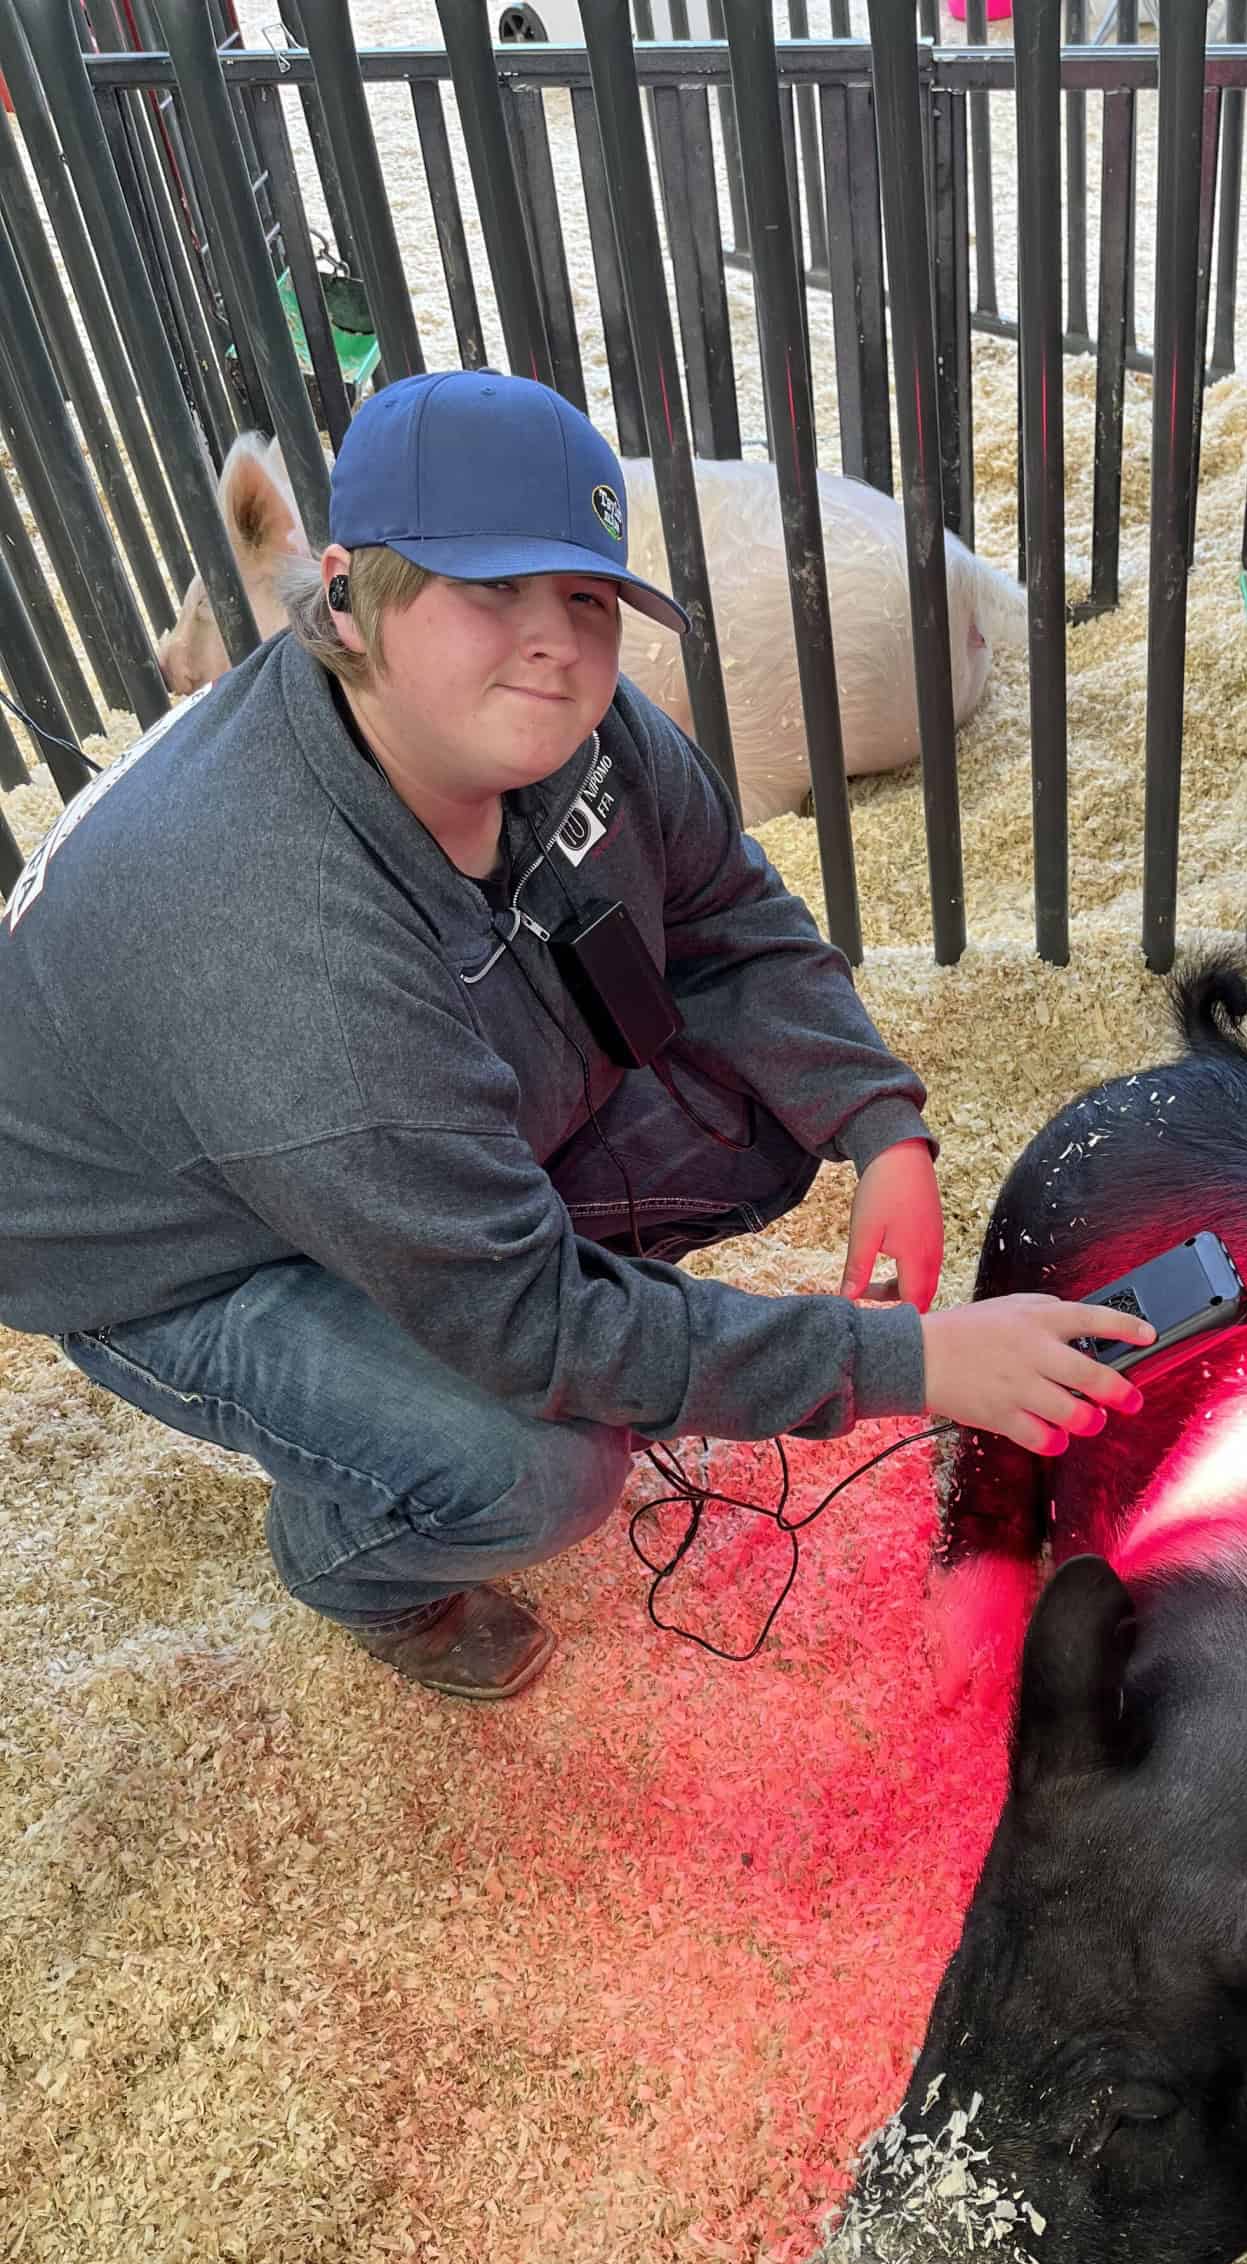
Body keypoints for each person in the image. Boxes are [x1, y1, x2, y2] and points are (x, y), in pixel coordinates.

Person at [0, 371, 1151, 1702]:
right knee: (541, 1460)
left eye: (586, 600)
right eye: (491, 591)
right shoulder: (295, 957)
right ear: (344, 593)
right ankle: (353, 1557)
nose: (556, 643)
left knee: (770, 1097)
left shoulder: (564, 729)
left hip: (348, 1121)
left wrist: (880, 1124)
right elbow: (539, 1332)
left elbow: (722, 902)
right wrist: (918, 1364)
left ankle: (448, 1248)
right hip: (169, 1249)